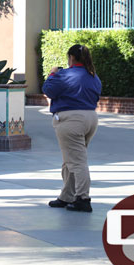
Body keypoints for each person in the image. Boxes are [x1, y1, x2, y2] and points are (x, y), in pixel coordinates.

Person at [42, 44, 102, 212]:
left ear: (71, 58)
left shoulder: (64, 75)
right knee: (71, 159)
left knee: (77, 162)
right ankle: (66, 196)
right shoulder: (93, 77)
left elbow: (48, 90)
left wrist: (53, 73)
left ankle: (83, 198)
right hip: (90, 118)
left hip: (70, 120)